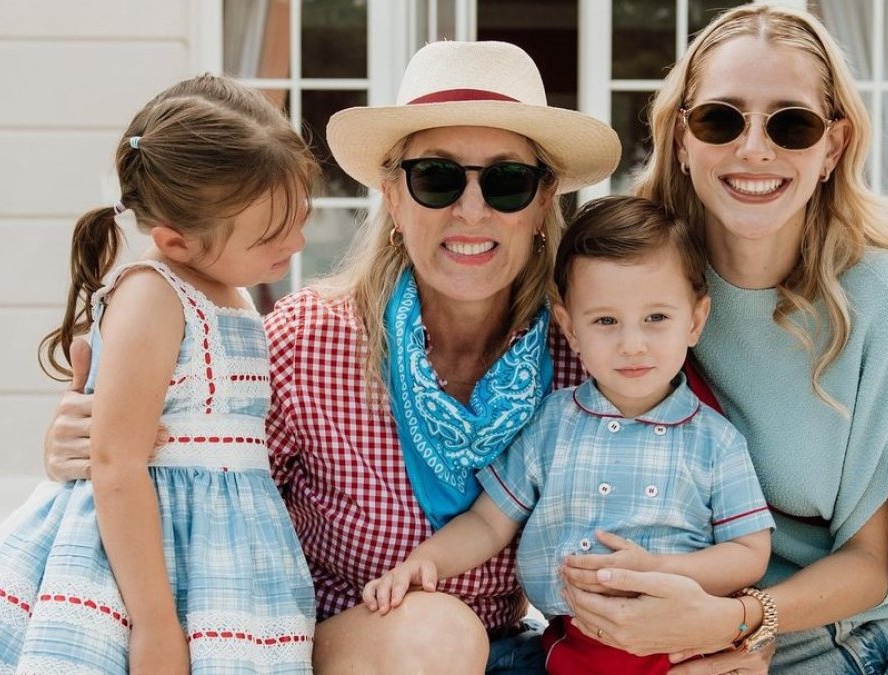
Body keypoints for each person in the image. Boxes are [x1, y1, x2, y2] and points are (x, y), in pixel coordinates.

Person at [43, 41, 622, 674]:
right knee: (435, 631)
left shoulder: (589, 353)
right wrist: (82, 442)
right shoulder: (308, 337)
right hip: (338, 648)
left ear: (543, 203)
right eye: (436, 177)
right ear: (393, 196)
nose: (471, 209)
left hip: (521, 647)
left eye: (509, 182)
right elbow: (179, 473)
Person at [560, 5, 888, 674]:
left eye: (792, 124)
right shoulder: (637, 293)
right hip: (756, 649)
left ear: (832, 148)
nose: (754, 148)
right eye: (720, 119)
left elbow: (876, 562)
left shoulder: (880, 300)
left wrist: (742, 618)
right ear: (681, 138)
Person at [0, 74, 318, 674]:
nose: (297, 240)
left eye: (300, 217)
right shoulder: (153, 297)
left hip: (227, 562)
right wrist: (156, 625)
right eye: (271, 234)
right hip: (144, 566)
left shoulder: (229, 291)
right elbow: (116, 463)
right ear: (176, 242)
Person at [361, 195, 774, 675]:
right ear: (569, 329)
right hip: (572, 651)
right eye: (605, 321)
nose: (632, 344)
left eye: (657, 318)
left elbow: (750, 552)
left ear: (695, 321)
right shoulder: (552, 423)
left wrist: (664, 569)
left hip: (683, 646)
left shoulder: (715, 441)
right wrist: (425, 562)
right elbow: (491, 522)